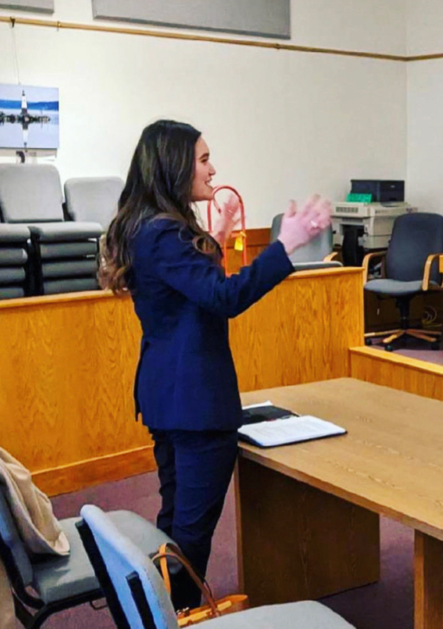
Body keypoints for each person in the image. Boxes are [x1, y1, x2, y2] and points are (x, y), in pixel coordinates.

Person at [99, 119, 330, 608]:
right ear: (176, 166)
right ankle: (175, 613)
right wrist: (285, 244)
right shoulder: (165, 234)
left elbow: (189, 296)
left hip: (167, 395)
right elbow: (222, 298)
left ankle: (159, 608)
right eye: (204, 159)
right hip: (196, 403)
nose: (212, 168)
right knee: (191, 530)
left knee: (174, 517)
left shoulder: (146, 227)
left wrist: (218, 237)